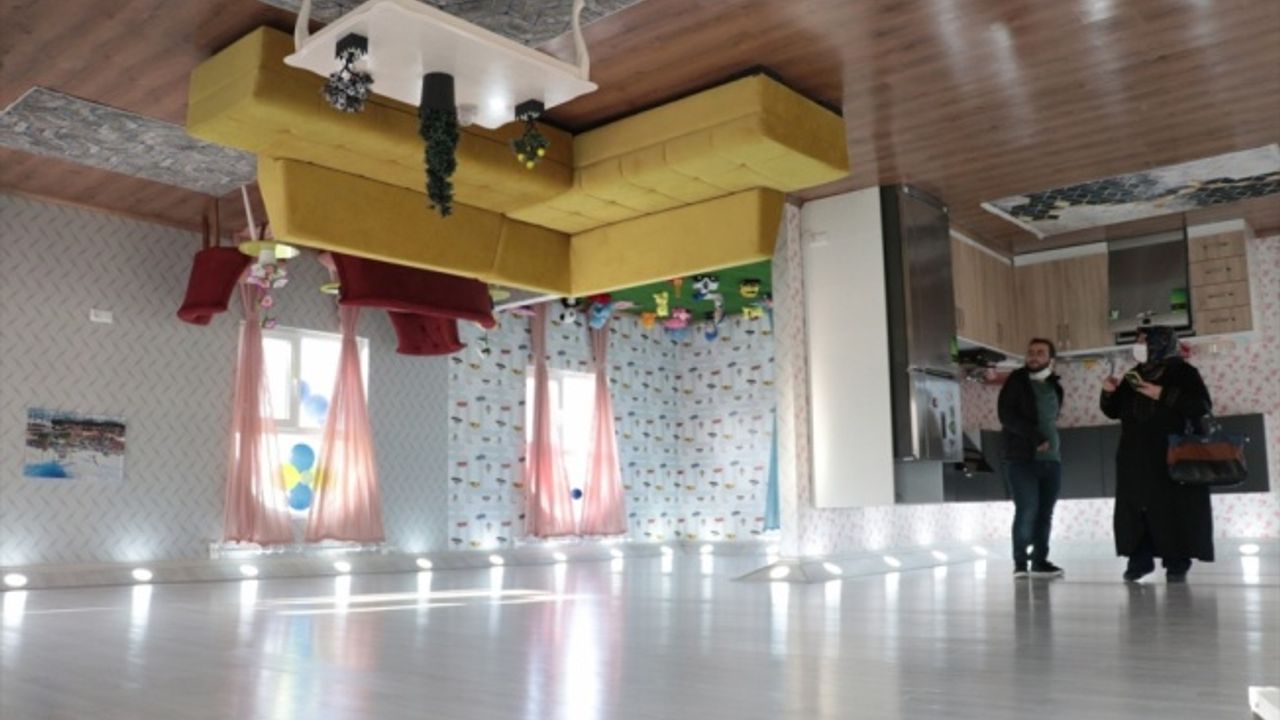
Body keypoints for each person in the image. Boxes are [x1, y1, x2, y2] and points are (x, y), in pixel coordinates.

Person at [1101, 326, 1213, 583]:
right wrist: (1108, 393)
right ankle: (1139, 560)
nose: (1140, 346)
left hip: (1172, 453)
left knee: (1173, 507)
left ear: (1160, 343)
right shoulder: (1133, 375)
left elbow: (1201, 405)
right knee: (1137, 508)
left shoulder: (1183, 372)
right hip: (1134, 454)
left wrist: (1162, 393)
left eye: (1145, 341)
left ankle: (1176, 562)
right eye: (1139, 342)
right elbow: (1113, 411)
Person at [998, 338, 1066, 579]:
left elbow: (1051, 419)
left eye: (1040, 352)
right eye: (1030, 352)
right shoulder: (1017, 380)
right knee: (1027, 510)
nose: (1034, 356)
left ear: (1050, 359)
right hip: (1022, 459)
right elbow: (1006, 416)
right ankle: (1020, 564)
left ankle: (1040, 562)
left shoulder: (1055, 386)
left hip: (1052, 460)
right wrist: (1035, 438)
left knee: (1045, 513)